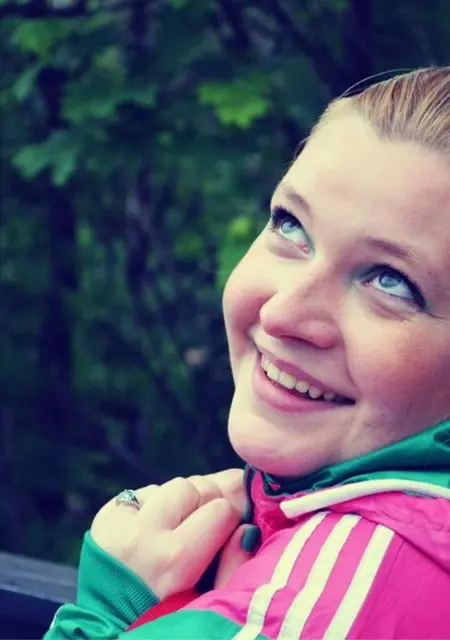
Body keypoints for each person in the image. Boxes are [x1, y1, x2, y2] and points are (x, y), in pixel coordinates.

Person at [46, 66, 450, 639]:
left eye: (390, 281)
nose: (283, 313)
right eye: (291, 226)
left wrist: (109, 613)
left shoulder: (326, 601)